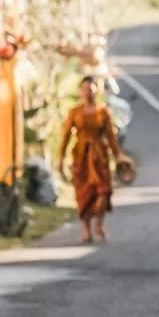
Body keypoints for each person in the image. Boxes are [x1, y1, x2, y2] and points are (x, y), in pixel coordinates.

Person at [58, 76, 125, 244]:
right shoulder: (74, 112)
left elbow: (111, 137)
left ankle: (99, 224)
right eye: (85, 89)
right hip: (81, 157)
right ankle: (86, 231)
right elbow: (65, 137)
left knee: (103, 191)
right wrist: (60, 158)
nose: (88, 93)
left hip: (99, 156)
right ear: (81, 91)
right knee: (84, 194)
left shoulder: (103, 112)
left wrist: (118, 157)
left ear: (97, 91)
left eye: (91, 89)